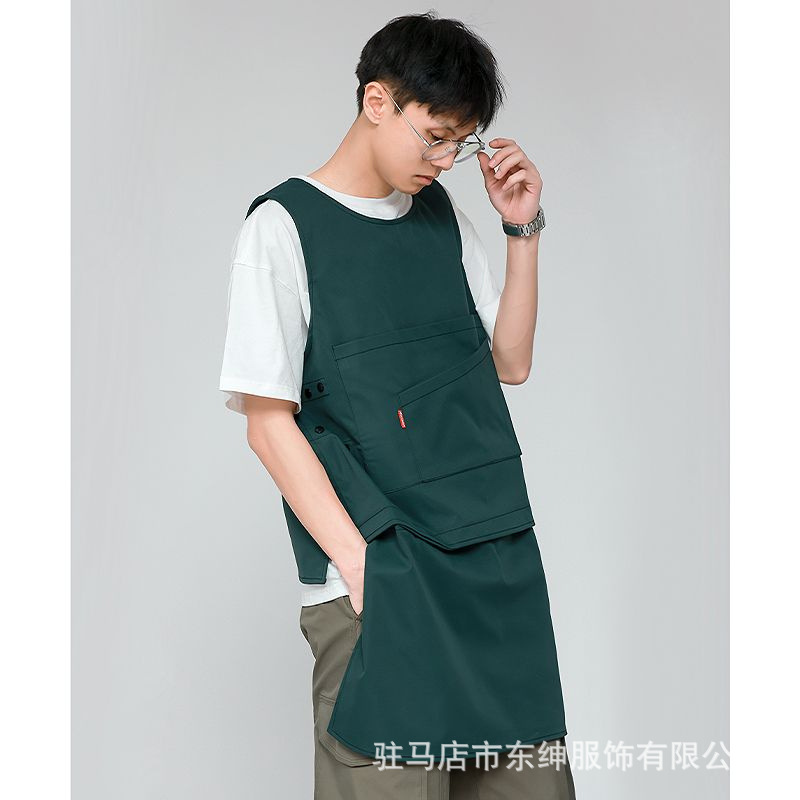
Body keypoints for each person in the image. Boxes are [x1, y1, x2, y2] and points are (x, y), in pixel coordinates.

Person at [218, 11, 576, 799]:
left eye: (462, 144)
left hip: (491, 561)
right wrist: (359, 564)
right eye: (436, 137)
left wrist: (522, 230)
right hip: (382, 576)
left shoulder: (441, 217)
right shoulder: (283, 228)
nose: (445, 161)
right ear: (377, 101)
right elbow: (268, 425)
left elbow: (510, 362)